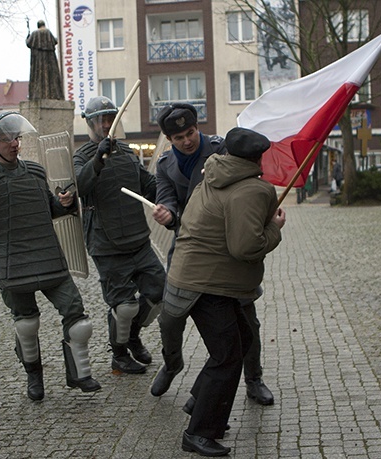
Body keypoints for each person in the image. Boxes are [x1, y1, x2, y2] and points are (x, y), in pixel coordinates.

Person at [0, 110, 101, 401]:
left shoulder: (36, 171)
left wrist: (64, 202)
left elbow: (52, 209)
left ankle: (80, 374)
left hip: (49, 258)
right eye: (7, 139)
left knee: (77, 316)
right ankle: (34, 377)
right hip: (13, 264)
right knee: (26, 323)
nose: (14, 143)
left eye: (17, 138)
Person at [165, 127, 285, 456]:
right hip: (208, 283)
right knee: (228, 354)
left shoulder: (213, 173)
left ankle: (199, 403)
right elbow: (246, 246)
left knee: (241, 340)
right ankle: (199, 433)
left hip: (196, 276)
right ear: (257, 158)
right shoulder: (253, 189)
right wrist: (274, 228)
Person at [150, 103, 275, 407]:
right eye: (179, 137)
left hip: (228, 248)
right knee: (170, 319)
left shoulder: (223, 150)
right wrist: (167, 213)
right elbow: (167, 197)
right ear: (169, 140)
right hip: (189, 246)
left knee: (245, 319)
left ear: (197, 128)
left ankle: (254, 378)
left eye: (190, 132)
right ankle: (172, 363)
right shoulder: (165, 164)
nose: (187, 141)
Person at [73, 96, 165, 375]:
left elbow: (148, 185)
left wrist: (171, 188)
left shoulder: (126, 152)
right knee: (123, 305)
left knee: (160, 292)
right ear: (90, 124)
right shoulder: (81, 156)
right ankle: (119, 354)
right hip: (106, 243)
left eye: (109, 118)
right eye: (99, 120)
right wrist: (98, 159)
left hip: (138, 239)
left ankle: (132, 335)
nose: (105, 124)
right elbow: (79, 186)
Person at [26, 20, 64, 100]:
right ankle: (53, 95)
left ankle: (38, 95)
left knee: (38, 77)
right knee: (51, 77)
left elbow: (29, 43)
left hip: (38, 62)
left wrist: (27, 37)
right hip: (49, 61)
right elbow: (55, 41)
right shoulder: (48, 32)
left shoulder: (34, 33)